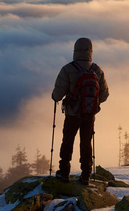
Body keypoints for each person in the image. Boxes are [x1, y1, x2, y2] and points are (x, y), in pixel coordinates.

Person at [52, 37, 109, 184]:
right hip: (89, 115)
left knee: (68, 141)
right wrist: (92, 104)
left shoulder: (68, 69)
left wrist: (56, 97)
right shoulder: (97, 70)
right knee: (86, 143)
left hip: (72, 113)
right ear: (90, 51)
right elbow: (105, 94)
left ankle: (64, 172)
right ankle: (86, 175)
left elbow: (58, 94)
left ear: (75, 50)